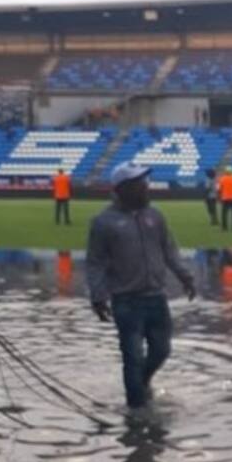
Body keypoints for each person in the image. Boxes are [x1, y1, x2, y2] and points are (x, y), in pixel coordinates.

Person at [86, 162, 196, 409]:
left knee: (162, 350)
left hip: (157, 297)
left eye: (146, 183)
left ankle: (143, 382)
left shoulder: (154, 216)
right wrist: (97, 295)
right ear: (123, 189)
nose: (147, 189)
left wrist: (185, 277)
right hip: (126, 302)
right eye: (140, 185)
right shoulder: (103, 222)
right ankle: (136, 412)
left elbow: (169, 250)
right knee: (132, 357)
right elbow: (95, 263)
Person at [217, 165, 232, 231]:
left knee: (224, 214)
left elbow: (219, 189)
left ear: (225, 172)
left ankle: (224, 228)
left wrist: (220, 196)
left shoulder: (222, 179)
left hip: (225, 198)